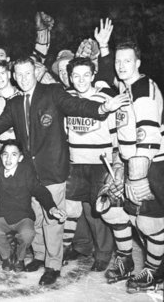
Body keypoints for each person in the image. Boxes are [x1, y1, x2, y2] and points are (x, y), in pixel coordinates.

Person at [0, 57, 129, 285]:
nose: (23, 79)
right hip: (30, 173)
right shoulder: (15, 104)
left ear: (35, 72)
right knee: (37, 217)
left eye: (27, 73)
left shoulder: (52, 92)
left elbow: (76, 106)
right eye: (19, 74)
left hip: (52, 170)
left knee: (53, 219)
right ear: (14, 76)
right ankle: (40, 255)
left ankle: (53, 265)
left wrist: (101, 108)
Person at [96, 41, 164, 292]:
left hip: (151, 164)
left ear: (138, 63)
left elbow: (147, 132)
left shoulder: (143, 87)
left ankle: (155, 270)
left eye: (127, 61)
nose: (121, 66)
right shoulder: (125, 88)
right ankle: (125, 259)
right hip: (128, 161)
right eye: (118, 61)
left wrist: (137, 175)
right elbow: (104, 81)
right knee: (114, 210)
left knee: (149, 222)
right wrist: (104, 49)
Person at [63, 57, 115, 271]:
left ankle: (103, 253)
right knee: (75, 208)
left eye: (86, 75)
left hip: (99, 163)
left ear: (94, 76)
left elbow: (115, 133)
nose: (81, 79)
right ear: (70, 77)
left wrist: (117, 163)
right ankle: (82, 246)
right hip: (75, 162)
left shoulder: (105, 98)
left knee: (97, 210)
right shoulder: (67, 99)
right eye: (76, 75)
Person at [0, 140, 66, 272]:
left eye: (14, 155)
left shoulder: (26, 172)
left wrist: (52, 207)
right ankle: (7, 257)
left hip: (22, 216)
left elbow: (39, 190)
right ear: (1, 156)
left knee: (28, 234)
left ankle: (20, 257)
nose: (8, 159)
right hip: (1, 215)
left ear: (20, 158)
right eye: (5, 154)